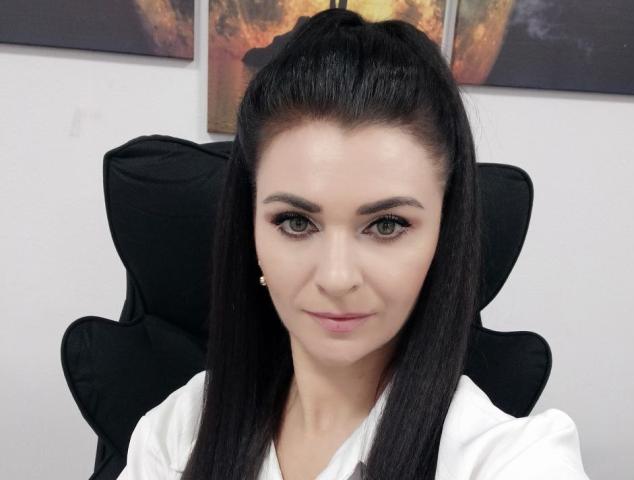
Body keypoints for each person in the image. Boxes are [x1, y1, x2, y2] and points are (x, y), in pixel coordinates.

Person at [116, 7, 590, 480]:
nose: (337, 278)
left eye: (386, 225)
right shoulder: (177, 433)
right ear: (251, 230)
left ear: (442, 237)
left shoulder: (509, 459)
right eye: (296, 222)